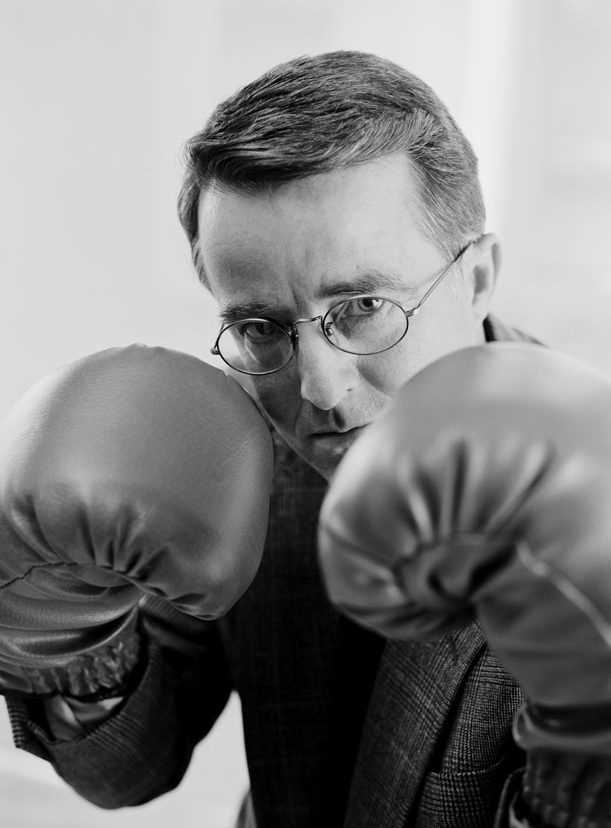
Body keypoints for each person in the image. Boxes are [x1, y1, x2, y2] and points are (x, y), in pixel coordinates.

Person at [2, 50, 609, 827]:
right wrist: (59, 625)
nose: (318, 389)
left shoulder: (587, 500)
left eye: (362, 307)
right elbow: (124, 771)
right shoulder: (236, 452)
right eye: (260, 325)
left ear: (478, 277)